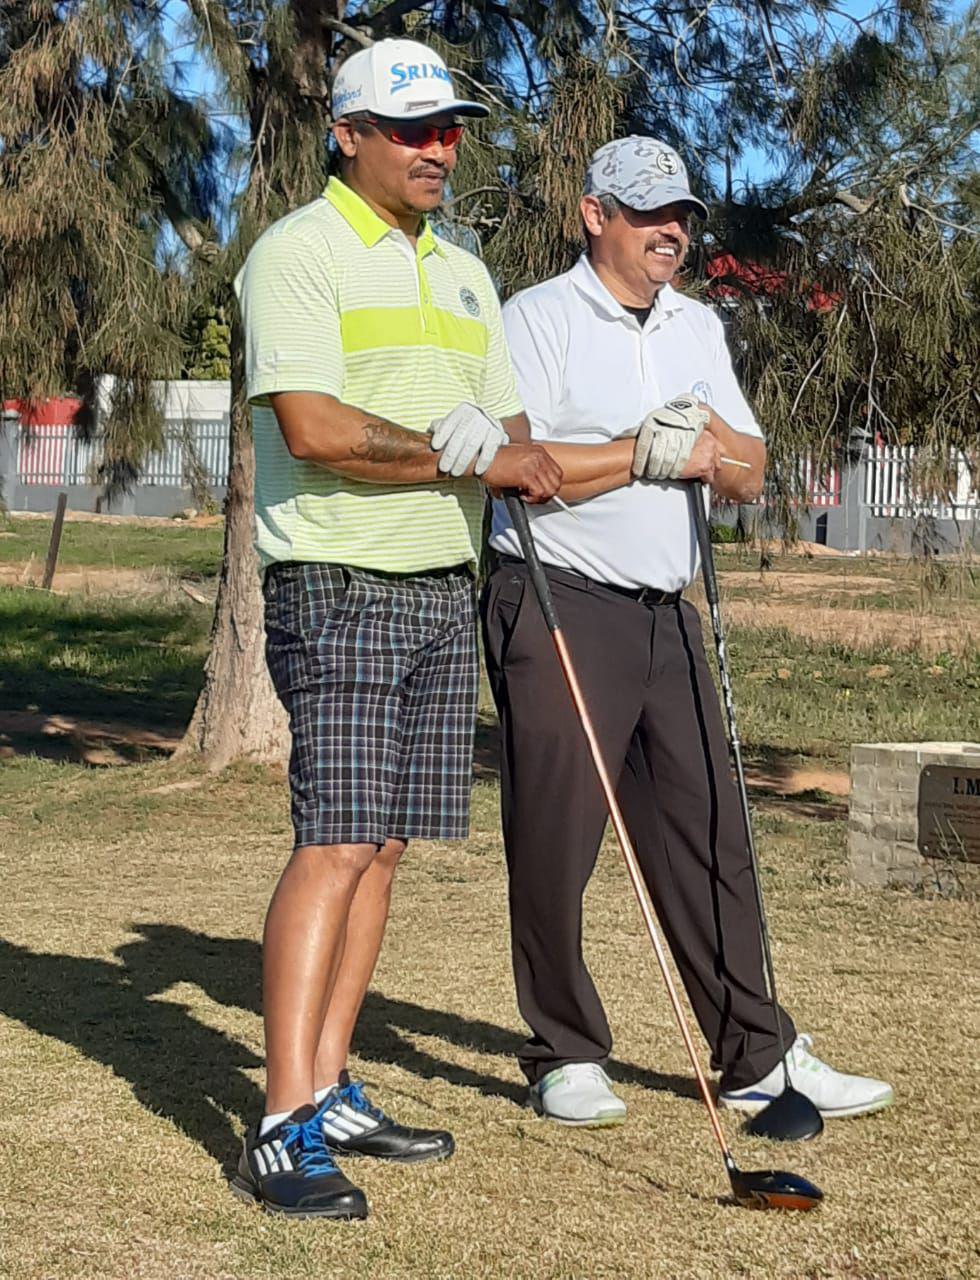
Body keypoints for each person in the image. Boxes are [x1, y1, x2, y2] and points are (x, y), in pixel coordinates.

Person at [478, 137, 894, 1128]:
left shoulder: (697, 326)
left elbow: (746, 461)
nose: (670, 232)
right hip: (554, 595)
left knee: (714, 832)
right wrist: (650, 452)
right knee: (555, 830)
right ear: (592, 213)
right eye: (647, 213)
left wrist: (698, 452)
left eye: (682, 217)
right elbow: (522, 462)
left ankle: (755, 1052)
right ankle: (563, 1049)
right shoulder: (535, 316)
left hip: (667, 606)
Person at [230, 38, 562, 1220]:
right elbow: (313, 426)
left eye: (450, 129)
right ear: (349, 134)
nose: (438, 150)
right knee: (332, 836)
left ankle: (328, 1084)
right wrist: (454, 451)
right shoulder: (297, 253)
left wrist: (644, 454)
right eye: (412, 130)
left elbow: (511, 432)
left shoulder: (464, 265)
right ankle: (278, 1119)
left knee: (383, 845)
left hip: (437, 578)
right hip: (338, 575)